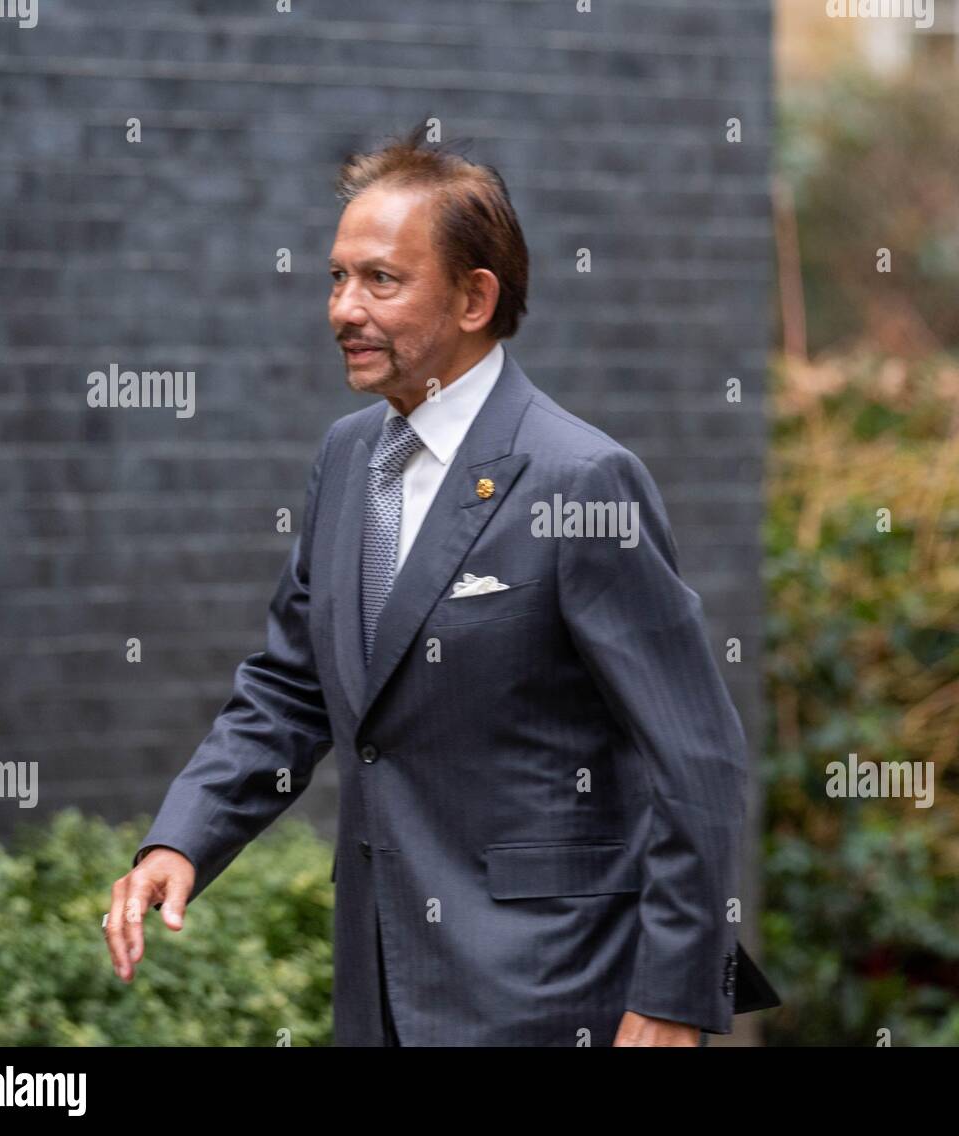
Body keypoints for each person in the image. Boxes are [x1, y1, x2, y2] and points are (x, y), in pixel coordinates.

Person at [103, 122, 770, 1047]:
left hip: (553, 992)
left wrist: (670, 1000)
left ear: (473, 299)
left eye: (380, 279)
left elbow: (698, 757)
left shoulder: (579, 480)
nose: (344, 307)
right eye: (337, 277)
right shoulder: (345, 460)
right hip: (380, 989)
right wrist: (182, 837)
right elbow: (292, 690)